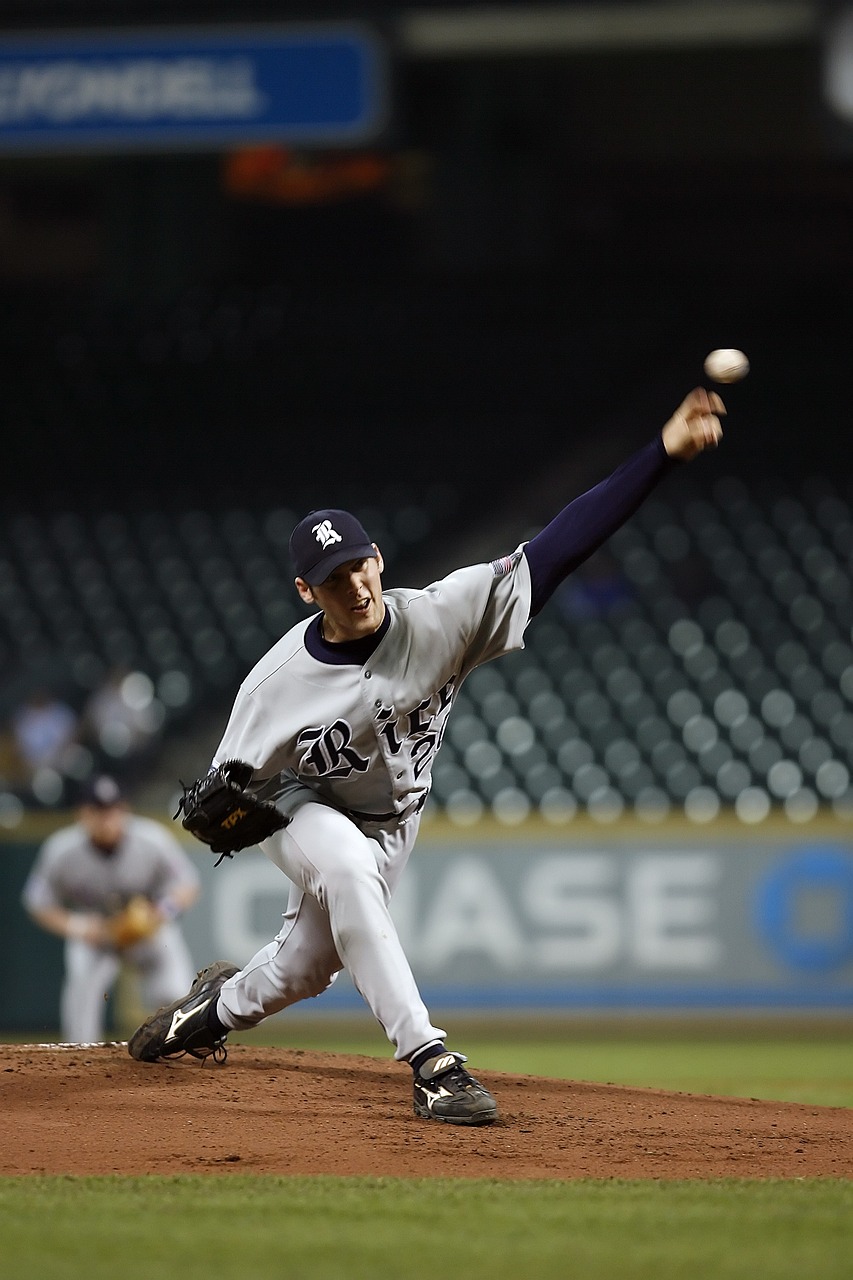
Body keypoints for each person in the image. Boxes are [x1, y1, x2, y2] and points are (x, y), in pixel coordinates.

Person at [128, 387, 726, 1126]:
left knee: (304, 970)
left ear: (377, 558)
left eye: (359, 565)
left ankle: (208, 1012)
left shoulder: (445, 615)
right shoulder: (273, 686)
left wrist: (661, 454)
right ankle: (432, 1063)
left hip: (396, 820)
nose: (354, 585)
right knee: (344, 869)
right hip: (304, 809)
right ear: (306, 591)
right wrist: (225, 811)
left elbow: (562, 545)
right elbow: (221, 795)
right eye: (332, 578)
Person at [22, 774, 201, 1044]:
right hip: (96, 932)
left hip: (147, 930)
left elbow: (188, 883)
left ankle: (178, 1046)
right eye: (97, 811)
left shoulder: (152, 839)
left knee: (175, 993)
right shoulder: (61, 849)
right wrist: (78, 927)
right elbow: (37, 901)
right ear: (82, 814)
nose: (106, 818)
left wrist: (162, 911)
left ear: (124, 810)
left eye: (112, 810)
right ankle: (80, 1057)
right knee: (81, 996)